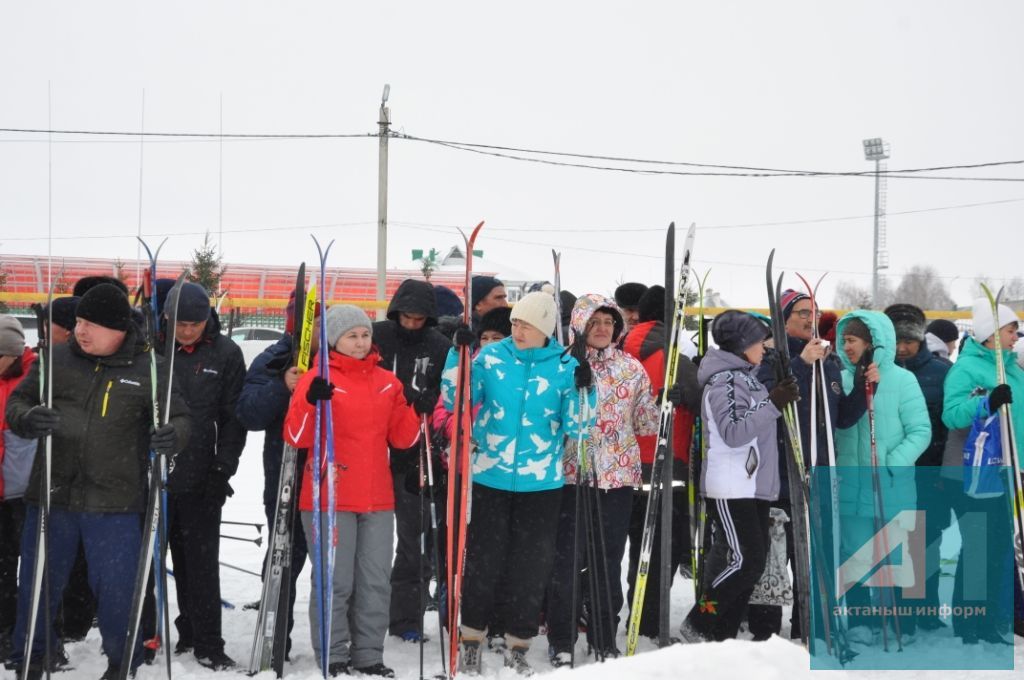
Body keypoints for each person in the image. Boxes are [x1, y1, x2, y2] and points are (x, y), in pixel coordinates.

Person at [5, 283, 190, 680]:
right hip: (52, 495)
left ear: (119, 328)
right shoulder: (54, 359)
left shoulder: (150, 368)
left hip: (115, 501)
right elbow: (17, 404)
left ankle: (123, 662)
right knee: (38, 585)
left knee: (117, 592)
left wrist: (172, 435)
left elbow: (181, 418)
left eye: (91, 324)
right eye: (79, 322)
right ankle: (33, 657)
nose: (80, 331)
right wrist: (28, 418)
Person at [443, 291, 594, 676]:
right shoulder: (492, 357)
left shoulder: (563, 365)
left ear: (544, 327)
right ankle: (472, 637)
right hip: (491, 476)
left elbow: (579, 426)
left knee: (531, 566)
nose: (517, 329)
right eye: (515, 323)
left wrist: (585, 389)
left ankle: (518, 643)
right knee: (482, 561)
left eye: (526, 324)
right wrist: (455, 355)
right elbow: (455, 399)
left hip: (540, 484)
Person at [284, 305, 420, 678]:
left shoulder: (386, 382)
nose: (360, 343)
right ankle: (334, 654)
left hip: (377, 498)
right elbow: (295, 436)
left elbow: (404, 439)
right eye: (351, 336)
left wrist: (412, 406)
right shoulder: (317, 378)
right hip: (329, 495)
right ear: (333, 340)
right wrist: (311, 401)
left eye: (364, 335)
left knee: (375, 581)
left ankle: (368, 654)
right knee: (335, 581)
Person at [545, 294, 659, 665]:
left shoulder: (631, 367)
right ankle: (561, 640)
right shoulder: (561, 364)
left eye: (608, 323)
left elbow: (645, 422)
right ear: (580, 324)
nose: (602, 329)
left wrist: (664, 404)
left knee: (607, 562)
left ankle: (603, 637)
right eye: (595, 323)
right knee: (568, 561)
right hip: (571, 476)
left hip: (617, 478)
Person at [749, 289, 866, 640]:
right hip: (779, 478)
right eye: (801, 311)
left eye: (812, 311)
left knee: (815, 560)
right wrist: (800, 363)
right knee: (772, 560)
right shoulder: (768, 360)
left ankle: (811, 625)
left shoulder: (829, 362)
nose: (808, 317)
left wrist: (861, 387)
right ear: (783, 319)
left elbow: (841, 419)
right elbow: (769, 403)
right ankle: (765, 633)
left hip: (819, 476)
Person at [678, 310, 799, 642]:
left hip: (752, 484)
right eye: (760, 342)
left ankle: (723, 635)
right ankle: (700, 622)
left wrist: (779, 399)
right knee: (746, 561)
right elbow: (733, 432)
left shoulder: (746, 377)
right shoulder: (726, 380)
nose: (764, 347)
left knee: (752, 563)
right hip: (732, 485)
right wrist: (773, 403)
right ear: (744, 345)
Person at [158, 282, 247, 670]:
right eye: (179, 324)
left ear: (208, 319)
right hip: (157, 473)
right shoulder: (153, 350)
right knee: (156, 563)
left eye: (194, 323)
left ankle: (208, 642)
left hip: (202, 475)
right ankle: (165, 633)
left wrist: (223, 467)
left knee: (201, 565)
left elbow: (233, 419)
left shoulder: (226, 353)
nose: (187, 331)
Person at [833, 311, 930, 643]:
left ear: (873, 344)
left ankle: (899, 620)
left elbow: (920, 431)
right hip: (852, 486)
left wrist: (893, 463)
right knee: (856, 552)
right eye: (843, 340)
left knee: (896, 555)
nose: (846, 347)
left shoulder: (903, 381)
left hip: (891, 485)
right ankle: (862, 621)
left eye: (852, 341)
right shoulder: (841, 379)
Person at [235, 288, 320, 656]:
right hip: (286, 471)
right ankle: (274, 634)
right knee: (286, 553)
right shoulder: (275, 358)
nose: (315, 329)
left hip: (335, 475)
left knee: (336, 562)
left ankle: (340, 642)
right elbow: (249, 413)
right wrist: (281, 386)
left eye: (319, 322)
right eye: (307, 322)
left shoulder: (343, 355)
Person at [370, 279, 450, 642]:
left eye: (420, 318)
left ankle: (406, 619)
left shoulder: (440, 346)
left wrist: (432, 398)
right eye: (407, 316)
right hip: (370, 448)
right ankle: (365, 614)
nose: (413, 323)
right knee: (367, 545)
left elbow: (450, 391)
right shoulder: (374, 336)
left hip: (416, 453)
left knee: (414, 541)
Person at [620, 285, 700, 641]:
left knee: (635, 544)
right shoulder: (675, 361)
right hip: (668, 466)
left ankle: (630, 612)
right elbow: (703, 408)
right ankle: (650, 618)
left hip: (623, 465)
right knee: (662, 549)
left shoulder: (620, 351)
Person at [941, 299, 1024, 642]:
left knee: (1001, 545)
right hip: (972, 471)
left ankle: (991, 619)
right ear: (991, 334)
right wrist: (987, 402)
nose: (1016, 335)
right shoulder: (968, 367)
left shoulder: (1012, 367)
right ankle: (969, 620)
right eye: (1010, 329)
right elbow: (952, 415)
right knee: (979, 544)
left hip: (1008, 469)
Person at [885, 304, 952, 632]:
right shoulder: (878, 370)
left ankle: (924, 609)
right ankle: (898, 611)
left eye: (908, 340)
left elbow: (948, 427)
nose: (902, 347)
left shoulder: (941, 373)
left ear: (920, 339)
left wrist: (943, 470)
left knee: (927, 542)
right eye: (896, 340)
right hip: (893, 475)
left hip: (929, 472)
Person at [0, 316, 36, 662]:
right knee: (2, 566)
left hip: (26, 493)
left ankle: (34, 633)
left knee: (35, 566)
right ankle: (5, 631)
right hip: (1, 493)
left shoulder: (36, 375)